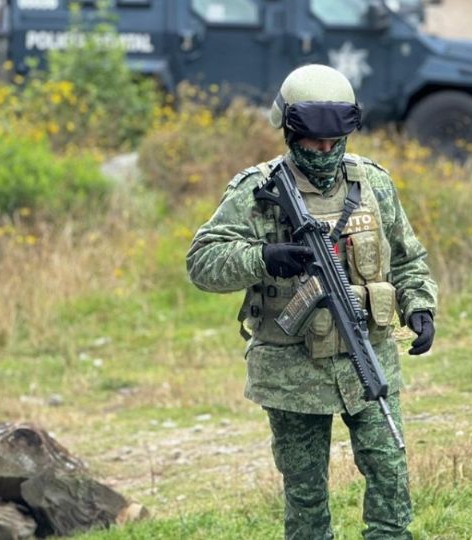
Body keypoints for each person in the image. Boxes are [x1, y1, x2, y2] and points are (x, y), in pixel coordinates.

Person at [186, 64, 438, 538]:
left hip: (369, 357)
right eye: (312, 143)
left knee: (389, 470)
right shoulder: (255, 191)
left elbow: (407, 257)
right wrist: (262, 257)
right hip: (291, 373)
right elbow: (201, 262)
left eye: (333, 143)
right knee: (305, 493)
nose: (325, 152)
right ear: (288, 132)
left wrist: (419, 305)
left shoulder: (373, 184)